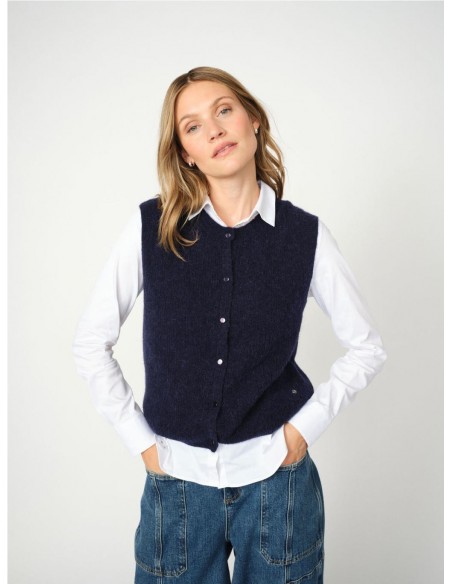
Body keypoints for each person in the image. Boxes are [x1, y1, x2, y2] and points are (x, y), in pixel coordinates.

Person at [72, 66, 387, 584]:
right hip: (177, 487)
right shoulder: (152, 227)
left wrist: (301, 432)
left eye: (224, 110)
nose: (215, 130)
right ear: (185, 153)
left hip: (278, 488)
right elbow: (90, 342)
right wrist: (143, 444)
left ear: (253, 119)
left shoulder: (304, 235)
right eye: (193, 126)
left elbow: (367, 347)